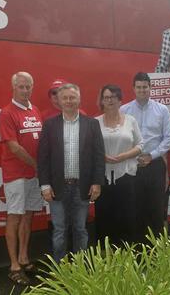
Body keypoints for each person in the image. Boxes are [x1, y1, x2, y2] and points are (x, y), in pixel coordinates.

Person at [38, 83, 105, 262]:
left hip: (82, 186)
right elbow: (43, 158)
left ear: (79, 99)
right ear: (59, 101)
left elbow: (99, 156)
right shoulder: (50, 125)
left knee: (80, 229)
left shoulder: (92, 124)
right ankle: (60, 269)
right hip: (58, 186)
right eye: (65, 98)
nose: (69, 101)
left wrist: (97, 182)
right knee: (59, 229)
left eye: (72, 97)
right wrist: (44, 185)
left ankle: (80, 268)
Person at [0, 72, 45, 285]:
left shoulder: (34, 110)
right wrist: (37, 165)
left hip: (34, 174)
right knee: (15, 216)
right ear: (13, 88)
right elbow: (14, 147)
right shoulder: (6, 113)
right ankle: (14, 265)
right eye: (21, 87)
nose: (25, 90)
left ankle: (25, 257)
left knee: (28, 215)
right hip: (16, 173)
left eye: (28, 87)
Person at [120, 72, 170, 242]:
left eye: (145, 87)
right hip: (132, 165)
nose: (142, 90)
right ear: (133, 89)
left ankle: (156, 246)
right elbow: (121, 136)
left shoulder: (162, 110)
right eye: (139, 87)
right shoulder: (124, 110)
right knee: (134, 207)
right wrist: (132, 156)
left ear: (151, 88)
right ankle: (136, 246)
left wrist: (152, 155)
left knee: (156, 207)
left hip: (155, 164)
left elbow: (169, 138)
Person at [95, 84, 142, 245]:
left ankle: (127, 254)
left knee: (127, 216)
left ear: (120, 100)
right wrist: (102, 157)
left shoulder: (130, 121)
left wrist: (124, 156)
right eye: (106, 97)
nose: (110, 101)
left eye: (113, 97)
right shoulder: (95, 123)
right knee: (105, 217)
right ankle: (105, 257)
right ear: (102, 101)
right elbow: (90, 148)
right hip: (103, 177)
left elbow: (140, 145)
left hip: (126, 175)